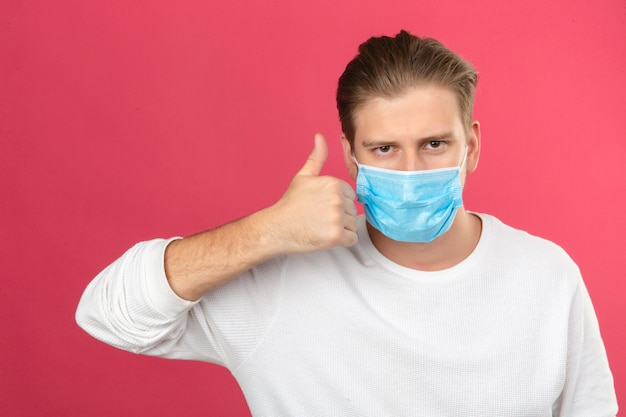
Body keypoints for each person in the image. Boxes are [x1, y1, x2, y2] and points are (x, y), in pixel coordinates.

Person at [76, 30, 618, 416]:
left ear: (471, 145)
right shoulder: (285, 279)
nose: (410, 171)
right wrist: (268, 231)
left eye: (434, 144)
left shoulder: (546, 276)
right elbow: (108, 314)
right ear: (352, 157)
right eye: (384, 148)